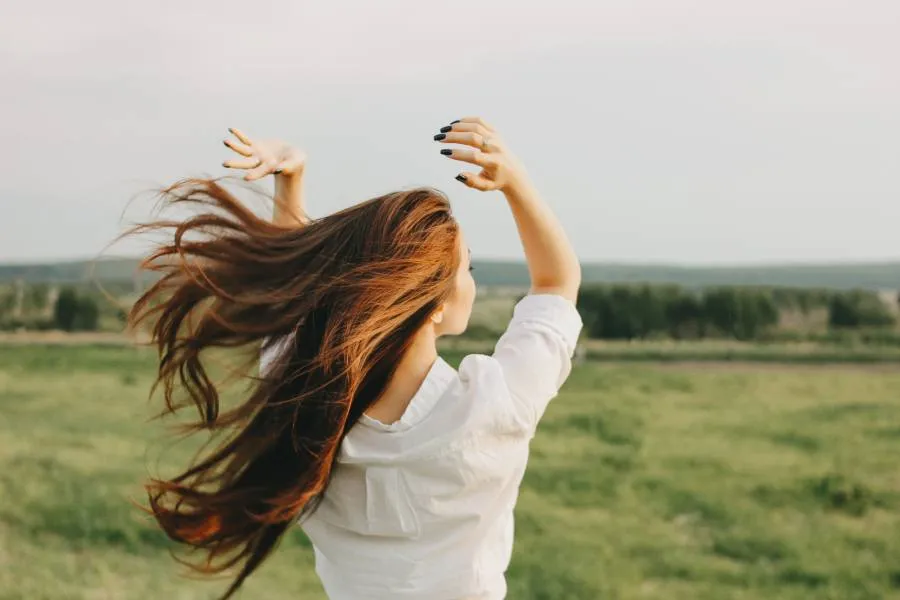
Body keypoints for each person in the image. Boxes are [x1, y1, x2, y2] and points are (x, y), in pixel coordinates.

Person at [128, 117, 582, 600]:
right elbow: (556, 283)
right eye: (465, 267)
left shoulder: (304, 406)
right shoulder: (494, 406)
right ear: (433, 304)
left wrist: (291, 182)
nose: (471, 278)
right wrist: (516, 181)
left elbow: (295, 303)